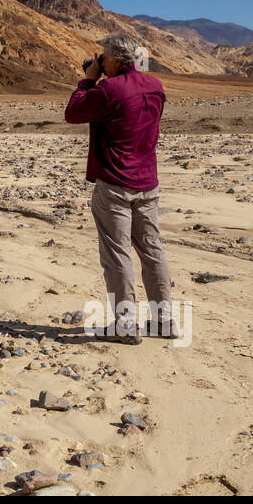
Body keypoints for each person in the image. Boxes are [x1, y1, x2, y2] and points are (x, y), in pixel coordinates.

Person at [64, 33, 177, 344]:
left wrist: (88, 80)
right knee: (153, 250)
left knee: (117, 256)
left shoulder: (107, 90)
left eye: (104, 57)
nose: (101, 61)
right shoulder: (156, 86)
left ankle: (125, 325)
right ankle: (164, 321)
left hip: (115, 184)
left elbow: (73, 113)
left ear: (113, 59)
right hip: (148, 183)